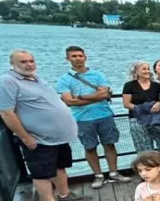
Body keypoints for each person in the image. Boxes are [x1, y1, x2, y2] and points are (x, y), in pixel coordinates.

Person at [0, 50, 88, 201]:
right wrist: (26, 137)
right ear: (12, 64)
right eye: (23, 62)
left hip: (57, 137)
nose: (29, 64)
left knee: (60, 166)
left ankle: (64, 194)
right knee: (41, 172)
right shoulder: (6, 82)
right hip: (38, 138)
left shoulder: (36, 79)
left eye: (31, 61)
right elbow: (6, 112)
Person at [55, 45, 131, 188]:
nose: (78, 59)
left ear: (85, 57)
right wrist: (97, 96)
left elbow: (104, 93)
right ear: (68, 59)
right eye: (74, 56)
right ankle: (98, 175)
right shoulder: (64, 79)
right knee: (90, 148)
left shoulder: (97, 75)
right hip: (82, 118)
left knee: (110, 144)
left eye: (80, 56)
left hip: (104, 114)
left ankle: (114, 173)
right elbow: (69, 101)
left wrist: (80, 97)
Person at [122, 60, 160, 161]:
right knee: (144, 149)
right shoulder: (129, 85)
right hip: (138, 120)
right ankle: (148, 167)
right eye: (144, 69)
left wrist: (159, 103)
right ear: (136, 71)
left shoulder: (156, 85)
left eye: (148, 69)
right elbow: (126, 103)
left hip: (157, 120)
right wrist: (142, 109)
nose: (147, 71)